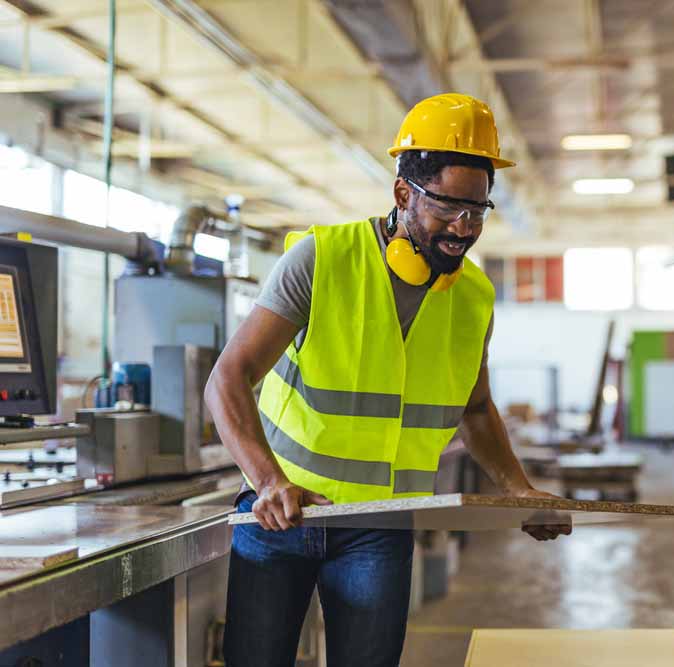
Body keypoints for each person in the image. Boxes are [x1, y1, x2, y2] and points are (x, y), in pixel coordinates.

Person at [205, 92, 571, 667]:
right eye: (449, 206)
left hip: (379, 524)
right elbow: (229, 376)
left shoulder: (473, 296)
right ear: (404, 194)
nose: (464, 227)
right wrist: (269, 480)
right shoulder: (322, 260)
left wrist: (517, 488)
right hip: (280, 515)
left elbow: (476, 409)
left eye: (477, 210)